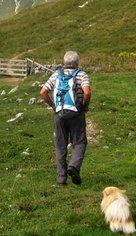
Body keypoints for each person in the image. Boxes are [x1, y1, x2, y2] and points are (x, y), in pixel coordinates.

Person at [39, 51, 91, 185]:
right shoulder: (81, 74)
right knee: (79, 142)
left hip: (59, 114)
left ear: (64, 63)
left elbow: (43, 92)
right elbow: (87, 92)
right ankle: (74, 166)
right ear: (77, 63)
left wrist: (53, 106)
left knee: (60, 146)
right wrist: (85, 106)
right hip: (76, 114)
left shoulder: (56, 74)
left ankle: (61, 179)